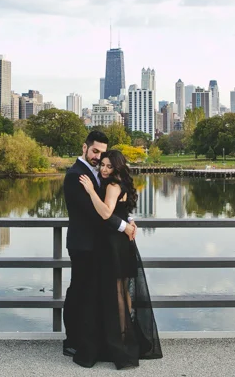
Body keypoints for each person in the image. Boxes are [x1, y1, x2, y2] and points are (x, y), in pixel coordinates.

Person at [79, 149, 163, 369]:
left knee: (117, 291)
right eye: (102, 165)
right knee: (123, 290)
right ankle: (125, 336)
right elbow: (125, 210)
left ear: (117, 167)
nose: (104, 169)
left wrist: (90, 191)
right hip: (123, 243)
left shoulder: (112, 186)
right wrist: (130, 223)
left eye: (109, 166)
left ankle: (120, 343)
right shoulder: (125, 184)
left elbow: (106, 213)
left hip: (111, 244)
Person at [62, 131, 138, 368]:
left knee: (94, 294)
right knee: (78, 293)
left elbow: (111, 207)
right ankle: (72, 341)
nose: (98, 158)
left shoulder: (99, 175)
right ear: (84, 147)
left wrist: (126, 219)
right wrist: (125, 226)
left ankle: (99, 340)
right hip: (83, 245)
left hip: (100, 246)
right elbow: (98, 215)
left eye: (103, 155)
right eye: (95, 151)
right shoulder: (76, 176)